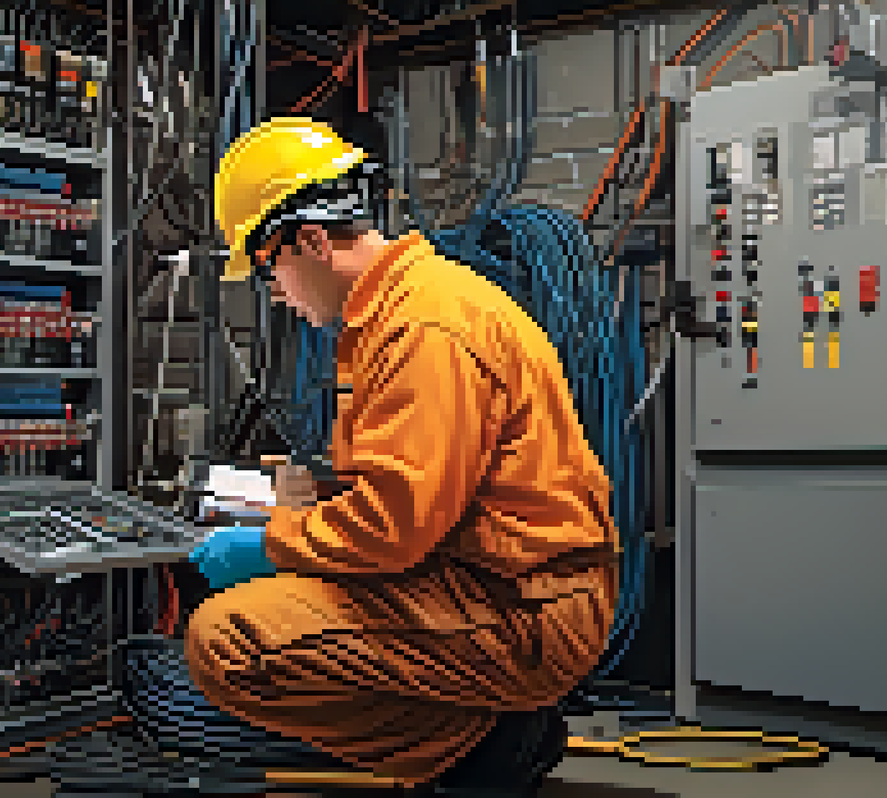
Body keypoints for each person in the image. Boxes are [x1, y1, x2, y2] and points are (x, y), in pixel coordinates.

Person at [184, 117, 621, 796]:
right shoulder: (399, 309)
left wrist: (270, 545)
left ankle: (487, 750)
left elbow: (394, 527)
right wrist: (318, 502)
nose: (274, 290)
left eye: (269, 266)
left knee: (228, 641)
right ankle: (492, 733)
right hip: (490, 581)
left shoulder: (423, 327)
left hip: (523, 609)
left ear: (311, 241)